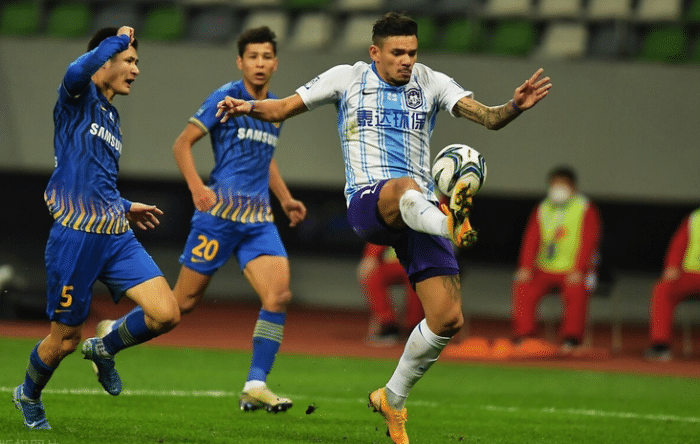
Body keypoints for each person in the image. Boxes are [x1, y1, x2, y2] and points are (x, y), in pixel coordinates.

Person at [216, 12, 551, 443]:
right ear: (375, 52)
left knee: (447, 319)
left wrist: (515, 106)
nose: (407, 60)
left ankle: (392, 397)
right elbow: (282, 108)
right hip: (369, 202)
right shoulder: (347, 78)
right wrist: (247, 106)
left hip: (419, 210)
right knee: (405, 186)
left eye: (412, 52)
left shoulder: (430, 82)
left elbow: (488, 117)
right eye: (397, 53)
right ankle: (450, 222)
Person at [96, 26, 306, 413]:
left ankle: (255, 384)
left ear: (276, 63)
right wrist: (196, 188)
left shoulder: (275, 109)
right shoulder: (224, 98)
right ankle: (108, 340)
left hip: (259, 221)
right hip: (218, 217)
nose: (259, 63)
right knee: (180, 305)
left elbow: (265, 158)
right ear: (240, 62)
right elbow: (182, 144)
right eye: (253, 57)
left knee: (278, 296)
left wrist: (286, 198)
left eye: (266, 57)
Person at [12, 27, 180, 430]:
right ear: (105, 60)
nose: (136, 70)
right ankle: (28, 394)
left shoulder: (112, 118)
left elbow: (94, 180)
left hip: (116, 235)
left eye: (136, 62)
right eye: (130, 61)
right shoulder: (76, 97)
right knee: (64, 342)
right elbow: (75, 70)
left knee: (166, 313)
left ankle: (104, 347)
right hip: (75, 238)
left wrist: (125, 206)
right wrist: (118, 40)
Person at [511, 166, 602, 355]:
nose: (558, 189)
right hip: (544, 269)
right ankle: (525, 336)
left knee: (576, 290)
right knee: (522, 284)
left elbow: (589, 241)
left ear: (573, 187)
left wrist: (579, 269)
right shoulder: (542, 208)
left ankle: (571, 339)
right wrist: (525, 267)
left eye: (563, 185)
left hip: (573, 271)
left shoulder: (585, 208)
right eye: (555, 185)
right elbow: (531, 239)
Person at [645, 207, 700, 361]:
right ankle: (660, 345)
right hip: (692, 275)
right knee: (663, 288)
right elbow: (679, 244)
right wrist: (672, 265)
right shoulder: (695, 218)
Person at [358, 243, 424, 347]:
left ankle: (414, 326)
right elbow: (378, 239)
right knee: (370, 272)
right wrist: (371, 256)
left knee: (421, 274)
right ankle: (387, 325)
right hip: (393, 265)